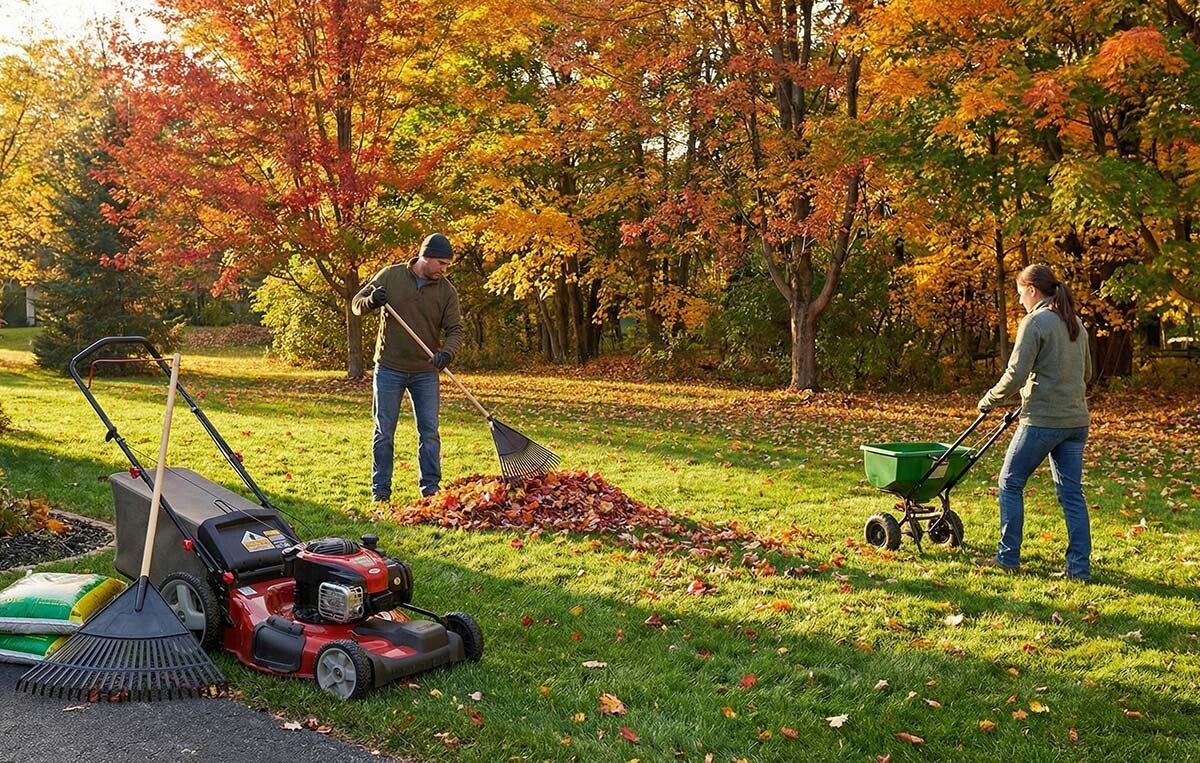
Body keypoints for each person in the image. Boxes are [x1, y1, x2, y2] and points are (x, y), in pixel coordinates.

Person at [976, 264, 1093, 581]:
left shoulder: (1035, 322)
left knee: (1010, 482)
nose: (1018, 302)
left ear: (1032, 290)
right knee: (1072, 494)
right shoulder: (1076, 324)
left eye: (1019, 294)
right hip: (1076, 422)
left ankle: (1008, 558)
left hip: (1043, 420)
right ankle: (1079, 569)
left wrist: (988, 400)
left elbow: (1014, 375)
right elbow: (1087, 374)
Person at [353, 233, 462, 501]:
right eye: (441, 263)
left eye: (447, 265)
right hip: (389, 367)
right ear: (425, 256)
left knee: (429, 433)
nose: (444, 269)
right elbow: (357, 305)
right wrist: (371, 301)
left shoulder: (446, 291)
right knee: (384, 432)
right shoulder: (390, 276)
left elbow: (455, 330)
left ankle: (430, 491)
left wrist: (446, 354)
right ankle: (380, 491)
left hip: (425, 372)